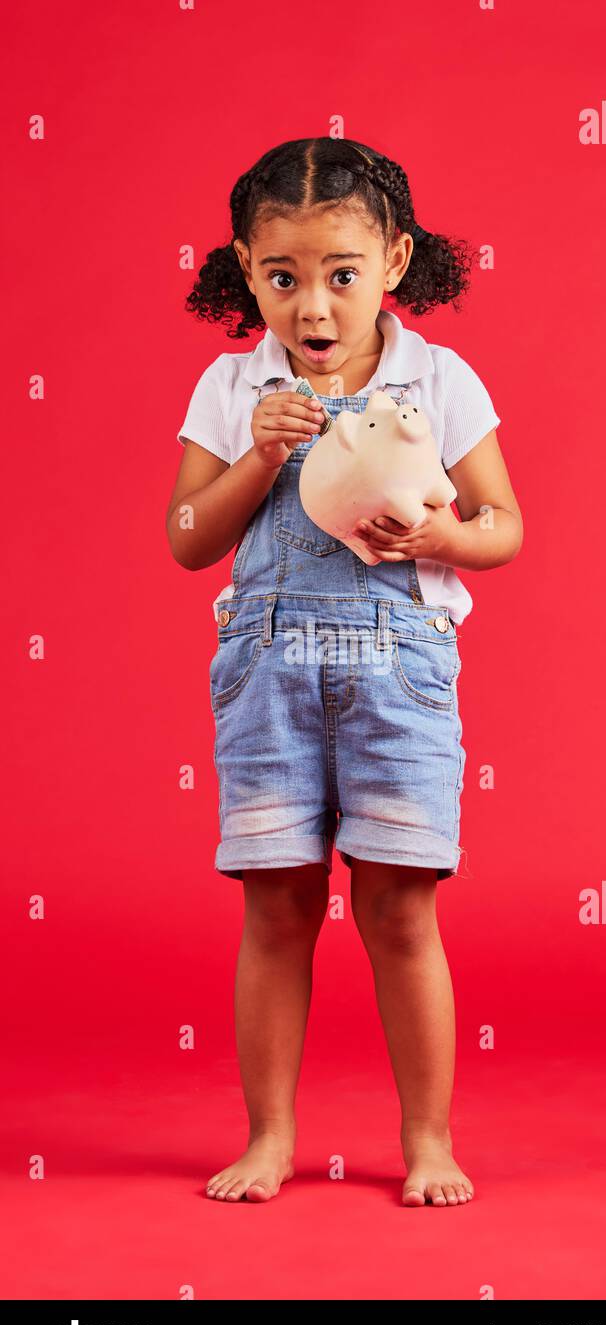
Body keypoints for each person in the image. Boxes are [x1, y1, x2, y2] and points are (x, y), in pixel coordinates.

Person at [166, 137, 523, 1207]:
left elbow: (504, 524)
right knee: (275, 907)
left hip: (398, 676)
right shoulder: (235, 385)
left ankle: (427, 1139)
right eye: (281, 279)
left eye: (340, 274)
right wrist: (258, 457)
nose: (312, 306)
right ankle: (270, 1135)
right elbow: (187, 536)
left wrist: (450, 542)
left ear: (396, 261)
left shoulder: (439, 377)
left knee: (400, 908)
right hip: (268, 676)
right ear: (245, 268)